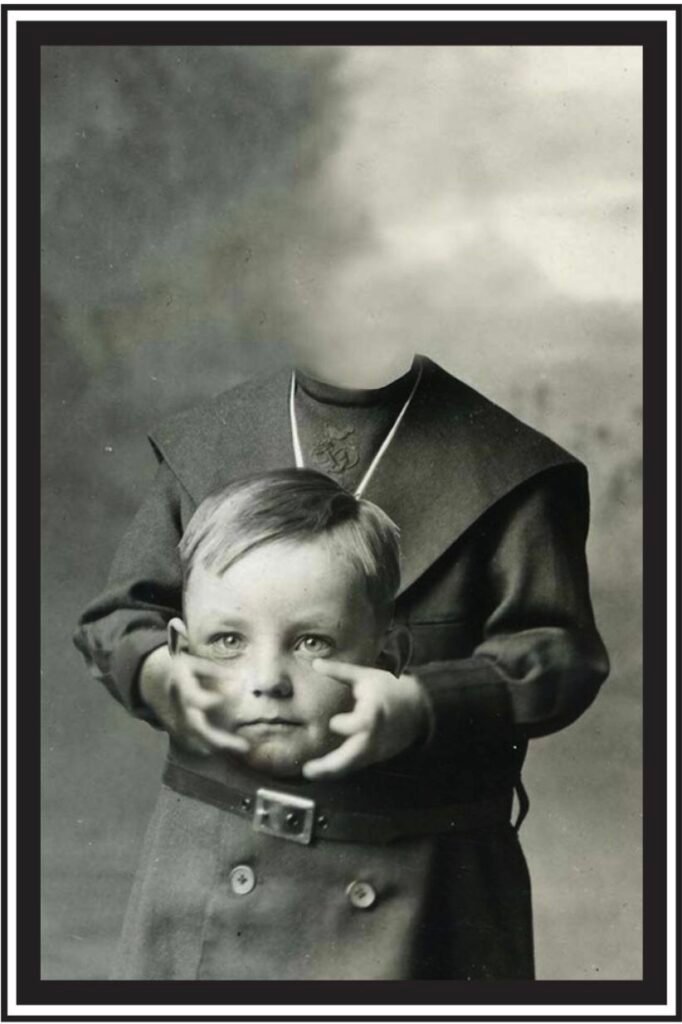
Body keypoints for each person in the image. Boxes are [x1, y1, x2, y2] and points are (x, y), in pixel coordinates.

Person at [75, 351, 609, 979]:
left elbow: (561, 654)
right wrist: (157, 672)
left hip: (422, 882)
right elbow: (118, 615)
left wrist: (428, 702)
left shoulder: (514, 468)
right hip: (210, 862)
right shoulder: (205, 440)